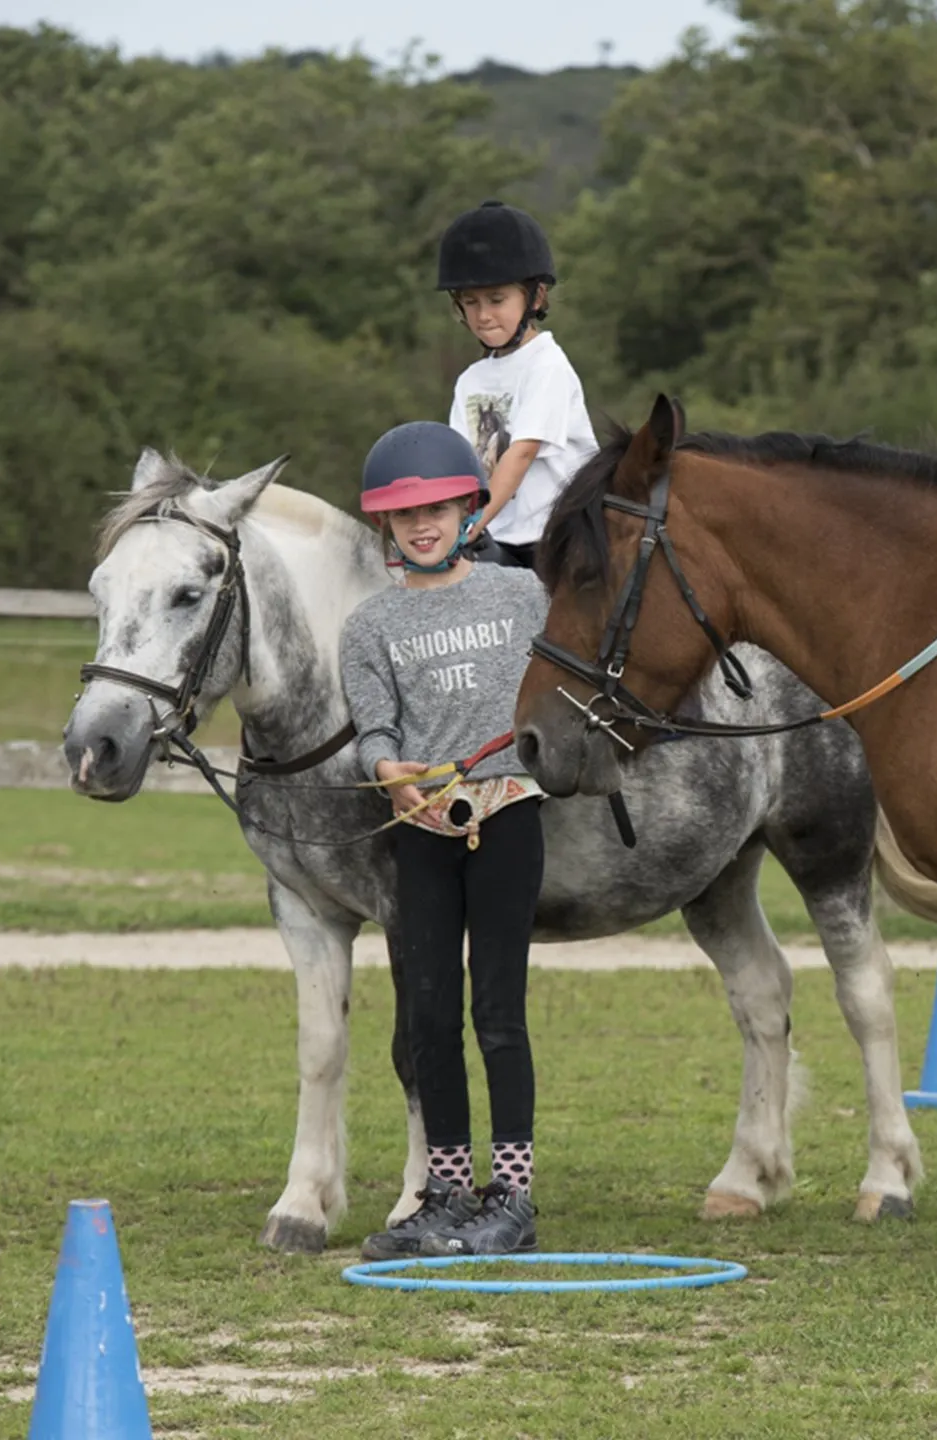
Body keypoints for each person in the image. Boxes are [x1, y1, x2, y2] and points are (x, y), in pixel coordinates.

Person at [340, 421, 550, 1259]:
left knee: (497, 1010)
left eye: (437, 507)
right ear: (385, 527)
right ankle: (447, 1194)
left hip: (507, 817)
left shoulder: (521, 597)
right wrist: (391, 771)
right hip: (420, 828)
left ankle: (513, 1197)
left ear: (470, 507)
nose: (422, 524)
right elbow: (373, 728)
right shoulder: (370, 626)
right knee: (427, 1015)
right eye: (404, 515)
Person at [437, 199, 600, 572]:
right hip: (497, 541)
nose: (483, 315)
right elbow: (461, 465)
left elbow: (522, 453)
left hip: (559, 537)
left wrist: (472, 522)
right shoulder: (470, 381)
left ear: (536, 297)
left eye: (497, 300)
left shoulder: (547, 365)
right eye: (470, 302)